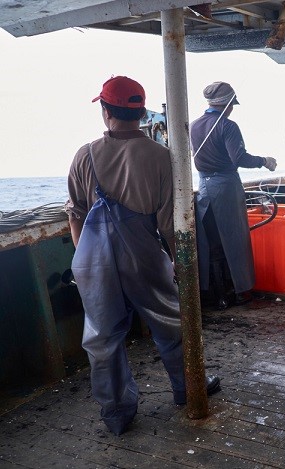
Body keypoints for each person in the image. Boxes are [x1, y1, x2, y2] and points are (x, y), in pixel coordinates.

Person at [65, 76, 220, 436]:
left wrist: (84, 262)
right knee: (171, 322)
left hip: (95, 261)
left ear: (106, 113)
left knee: (103, 339)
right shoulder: (163, 157)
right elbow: (170, 224)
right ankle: (188, 388)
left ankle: (117, 412)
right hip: (145, 255)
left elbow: (74, 214)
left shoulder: (84, 155)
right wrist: (181, 268)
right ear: (140, 112)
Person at [190, 81, 277, 308]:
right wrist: (264, 161)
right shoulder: (228, 126)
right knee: (236, 241)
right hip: (226, 186)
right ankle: (239, 291)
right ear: (227, 104)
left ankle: (213, 292)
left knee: (212, 244)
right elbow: (239, 158)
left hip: (204, 189)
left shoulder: (194, 125)